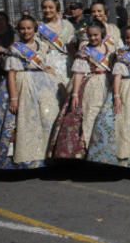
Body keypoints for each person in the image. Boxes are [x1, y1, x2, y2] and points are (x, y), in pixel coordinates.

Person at [0, 16, 60, 170]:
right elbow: (11, 74)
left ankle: (46, 156)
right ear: (18, 31)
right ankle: (24, 159)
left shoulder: (43, 46)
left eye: (29, 28)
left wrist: (48, 70)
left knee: (46, 119)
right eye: (22, 29)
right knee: (22, 122)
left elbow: (44, 63)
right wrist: (13, 98)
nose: (26, 31)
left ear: (35, 29)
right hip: (21, 85)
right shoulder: (15, 48)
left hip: (42, 86)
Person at [48, 22, 114, 160]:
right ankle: (84, 149)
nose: (93, 38)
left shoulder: (111, 48)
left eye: (96, 35)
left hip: (107, 83)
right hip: (90, 85)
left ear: (102, 34)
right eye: (90, 35)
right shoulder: (85, 50)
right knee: (88, 114)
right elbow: (78, 72)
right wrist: (75, 93)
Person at [86, 26, 130, 168]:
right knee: (124, 121)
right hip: (125, 89)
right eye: (127, 38)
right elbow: (117, 76)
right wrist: (116, 96)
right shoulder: (122, 55)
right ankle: (123, 156)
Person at [36, 0, 76, 92]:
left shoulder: (67, 25)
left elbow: (72, 44)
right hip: (48, 63)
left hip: (67, 63)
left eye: (50, 7)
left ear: (57, 9)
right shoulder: (39, 27)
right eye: (44, 8)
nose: (47, 10)